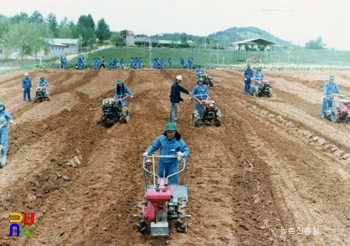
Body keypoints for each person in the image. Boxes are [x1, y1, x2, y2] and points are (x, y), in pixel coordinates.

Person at [0, 101, 14, 166]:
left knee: (3, 141)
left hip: (3, 128)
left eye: (1, 107)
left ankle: (3, 155)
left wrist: (10, 121)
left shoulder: (5, 112)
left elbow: (9, 118)